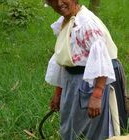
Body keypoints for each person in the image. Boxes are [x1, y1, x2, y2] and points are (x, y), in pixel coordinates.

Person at [44, 0, 128, 139]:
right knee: (71, 126)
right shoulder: (67, 21)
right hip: (71, 82)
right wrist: (59, 91)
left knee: (94, 130)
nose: (59, 3)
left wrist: (97, 95)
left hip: (93, 82)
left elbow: (101, 60)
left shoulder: (87, 24)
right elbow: (64, 57)